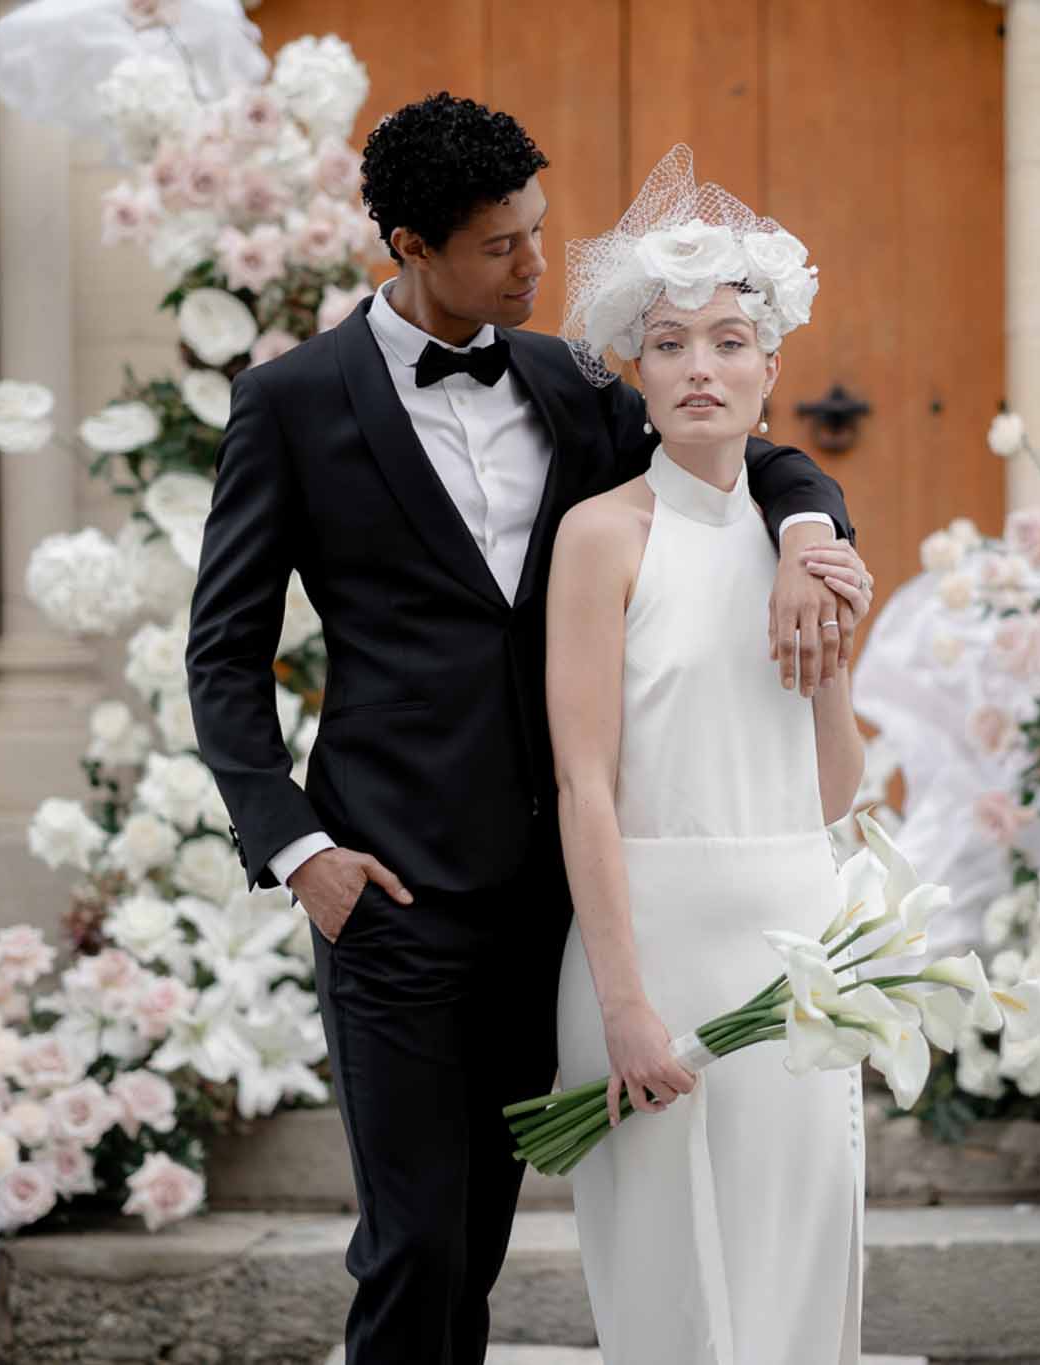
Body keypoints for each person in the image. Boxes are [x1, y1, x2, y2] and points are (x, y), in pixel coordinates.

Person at [183, 98, 871, 1363]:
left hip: (557, 894)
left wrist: (811, 528)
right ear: (410, 245)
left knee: (480, 1242)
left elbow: (734, 442)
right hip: (387, 887)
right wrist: (297, 848)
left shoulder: (568, 381)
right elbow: (223, 655)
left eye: (538, 234)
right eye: (504, 247)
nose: (538, 265)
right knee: (416, 1242)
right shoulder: (289, 403)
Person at [548, 146, 871, 1364]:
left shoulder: (803, 539)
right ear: (635, 368)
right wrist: (624, 1004)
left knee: (798, 1279)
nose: (701, 366)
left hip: (792, 939)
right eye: (671, 342)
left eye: (729, 340)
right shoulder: (600, 538)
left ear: (770, 366)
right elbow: (584, 781)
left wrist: (833, 645)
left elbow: (827, 790)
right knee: (673, 1301)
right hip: (652, 944)